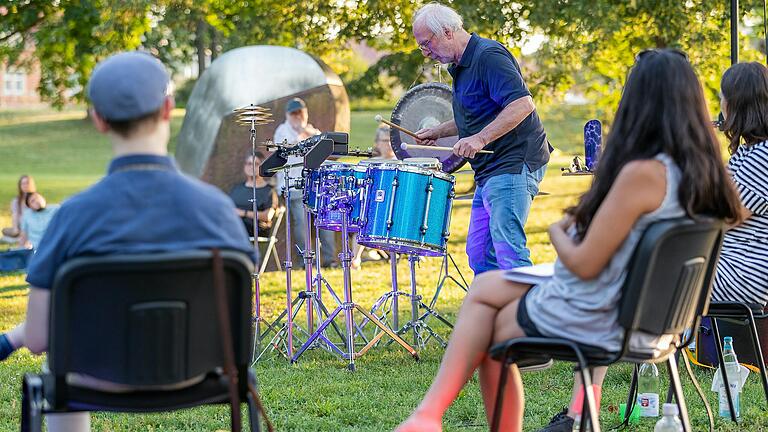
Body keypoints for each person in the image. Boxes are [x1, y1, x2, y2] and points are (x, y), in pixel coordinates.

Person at [395, 49, 742, 432]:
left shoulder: (644, 174)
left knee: (490, 328)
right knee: (488, 286)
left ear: (637, 103)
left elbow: (583, 263)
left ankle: (430, 415)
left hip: (609, 317)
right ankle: (430, 414)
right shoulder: (709, 175)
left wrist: (560, 231)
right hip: (664, 321)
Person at [0, 51, 252, 432]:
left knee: (54, 368)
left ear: (100, 121)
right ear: (168, 108)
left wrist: (14, 337)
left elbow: (37, 337)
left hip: (94, 376)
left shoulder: (73, 216)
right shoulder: (217, 209)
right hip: (199, 372)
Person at [412, 3, 551, 274]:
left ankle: (526, 315)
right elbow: (477, 114)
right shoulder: (460, 67)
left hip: (514, 161)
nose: (426, 53)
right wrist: (439, 131)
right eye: (421, 47)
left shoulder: (489, 56)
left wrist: (479, 139)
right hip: (490, 170)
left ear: (448, 32)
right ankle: (493, 314)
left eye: (427, 44)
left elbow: (522, 104)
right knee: (479, 254)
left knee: (509, 250)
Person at [711, 61, 768, 306]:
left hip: (740, 276)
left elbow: (720, 217)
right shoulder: (749, 152)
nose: (720, 106)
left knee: (642, 278)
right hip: (729, 267)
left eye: (722, 98)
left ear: (735, 104)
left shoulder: (762, 156)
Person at [273, 97, 336, 268]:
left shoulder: (311, 130)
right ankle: (306, 261)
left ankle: (329, 260)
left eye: (300, 112)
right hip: (293, 185)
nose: (297, 116)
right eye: (293, 113)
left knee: (325, 220)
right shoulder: (282, 131)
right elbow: (290, 149)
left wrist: (306, 133)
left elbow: (323, 145)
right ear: (287, 115)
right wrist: (303, 135)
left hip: (315, 185)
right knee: (301, 223)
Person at [228, 152, 278, 238]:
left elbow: (268, 216)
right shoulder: (237, 188)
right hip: (233, 226)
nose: (251, 167)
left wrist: (243, 213)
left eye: (256, 164)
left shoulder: (269, 191)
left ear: (262, 167)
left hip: (254, 230)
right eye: (249, 164)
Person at [1, 175, 37, 244]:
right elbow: (15, 215)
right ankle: (20, 235)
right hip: (21, 227)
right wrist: (15, 228)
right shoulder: (17, 201)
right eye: (23, 183)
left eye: (27, 183)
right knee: (4, 230)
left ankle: (23, 235)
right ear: (20, 186)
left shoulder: (36, 198)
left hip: (33, 226)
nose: (25, 185)